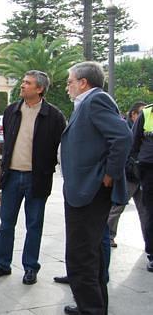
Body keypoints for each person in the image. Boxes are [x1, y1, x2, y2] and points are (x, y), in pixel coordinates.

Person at [60, 61, 132, 315]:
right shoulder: (86, 103)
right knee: (89, 253)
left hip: (89, 192)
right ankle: (92, 306)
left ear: (83, 83)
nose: (67, 86)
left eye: (70, 81)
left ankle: (91, 309)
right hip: (83, 189)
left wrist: (110, 173)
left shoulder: (95, 101)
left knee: (81, 254)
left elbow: (122, 137)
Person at [0, 71, 66, 285]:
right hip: (11, 177)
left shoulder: (54, 116)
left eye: (27, 83)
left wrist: (51, 167)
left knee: (34, 225)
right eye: (23, 82)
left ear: (39, 88)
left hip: (37, 179)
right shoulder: (12, 110)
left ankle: (30, 267)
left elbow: (63, 148)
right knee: (6, 223)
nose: (22, 85)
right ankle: (2, 264)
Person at [108, 102, 148, 248]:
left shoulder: (142, 128)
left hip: (141, 175)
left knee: (145, 210)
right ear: (134, 114)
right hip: (129, 174)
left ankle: (148, 240)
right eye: (141, 113)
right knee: (118, 206)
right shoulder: (125, 128)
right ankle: (109, 236)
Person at [130, 101, 153, 272]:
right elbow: (133, 144)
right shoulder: (147, 113)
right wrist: (140, 165)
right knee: (150, 212)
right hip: (149, 171)